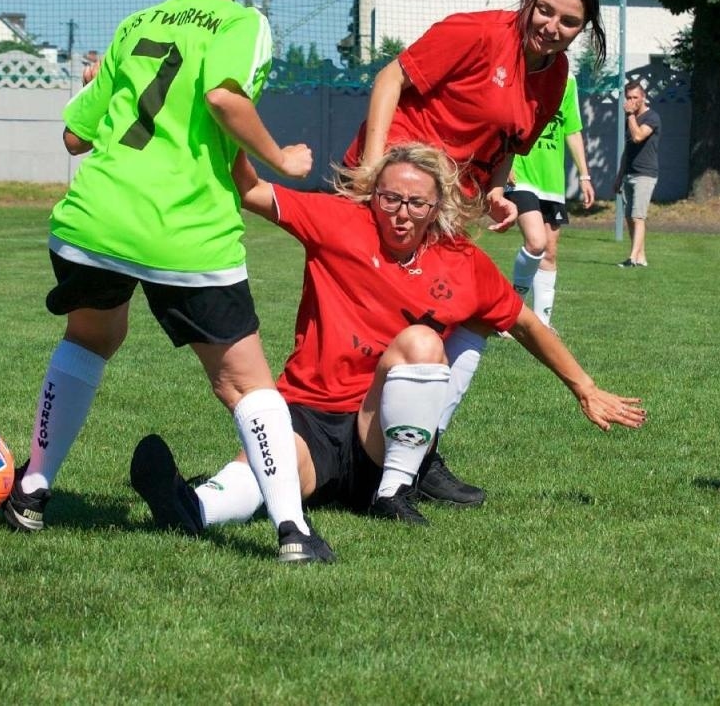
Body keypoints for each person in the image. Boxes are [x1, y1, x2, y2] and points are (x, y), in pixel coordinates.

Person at [1, 0, 349, 564]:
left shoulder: (135, 25)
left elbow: (74, 136)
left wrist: (98, 85)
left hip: (95, 217)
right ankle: (293, 532)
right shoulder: (245, 24)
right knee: (245, 385)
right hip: (184, 230)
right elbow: (223, 98)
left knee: (89, 339)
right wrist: (282, 157)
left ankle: (33, 491)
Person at [128, 143, 645, 537]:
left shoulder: (462, 262)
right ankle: (192, 508)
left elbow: (526, 324)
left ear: (436, 206)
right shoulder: (338, 222)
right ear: (372, 195)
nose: (401, 212)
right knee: (268, 471)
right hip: (310, 413)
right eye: (390, 198)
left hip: (379, 433)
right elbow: (251, 192)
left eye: (416, 203)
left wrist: (584, 388)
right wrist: (230, 131)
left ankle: (394, 491)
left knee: (421, 341)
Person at [340, 0, 608, 507]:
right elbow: (391, 78)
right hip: (396, 192)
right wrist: (374, 170)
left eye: (569, 21)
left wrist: (496, 191)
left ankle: (417, 451)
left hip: (446, 206)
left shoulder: (555, 74)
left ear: (584, 28)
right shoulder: (477, 32)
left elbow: (507, 143)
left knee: (476, 316)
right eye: (545, 10)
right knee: (391, 321)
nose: (552, 27)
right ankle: (360, 453)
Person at [506, 75, 594, 326]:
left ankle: (542, 323)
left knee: (550, 252)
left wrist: (584, 175)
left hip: (552, 182)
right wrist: (504, 161)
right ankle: (511, 314)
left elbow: (572, 130)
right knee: (536, 243)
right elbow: (502, 119)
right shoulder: (521, 72)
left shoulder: (568, 80)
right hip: (521, 176)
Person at [613, 82, 661, 267]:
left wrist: (631, 115)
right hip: (629, 174)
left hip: (645, 174)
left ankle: (632, 258)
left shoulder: (652, 117)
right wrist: (619, 176)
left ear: (643, 97)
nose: (631, 101)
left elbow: (638, 136)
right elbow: (627, 150)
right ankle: (641, 257)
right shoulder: (631, 119)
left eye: (635, 97)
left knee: (638, 217)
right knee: (629, 217)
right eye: (628, 98)